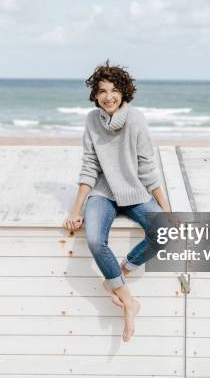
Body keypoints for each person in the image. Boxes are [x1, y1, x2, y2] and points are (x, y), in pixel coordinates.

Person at [62, 61, 170, 342]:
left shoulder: (135, 120)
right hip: (103, 193)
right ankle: (128, 300)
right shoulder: (91, 120)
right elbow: (89, 166)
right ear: (95, 95)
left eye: (114, 90)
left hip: (134, 192)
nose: (108, 96)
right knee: (96, 240)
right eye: (102, 91)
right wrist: (76, 211)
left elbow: (148, 168)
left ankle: (123, 269)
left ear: (124, 93)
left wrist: (167, 210)